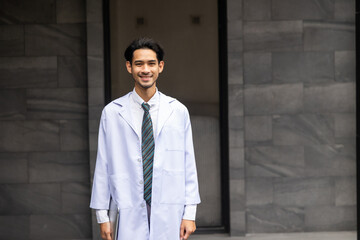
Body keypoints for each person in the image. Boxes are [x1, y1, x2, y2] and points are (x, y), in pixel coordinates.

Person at [90, 37, 201, 240]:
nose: (145, 70)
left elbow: (188, 164)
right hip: (127, 204)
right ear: (129, 67)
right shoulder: (113, 113)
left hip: (169, 207)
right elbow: (103, 165)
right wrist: (102, 215)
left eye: (151, 63)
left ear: (160, 66)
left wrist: (190, 213)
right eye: (139, 64)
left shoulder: (177, 111)